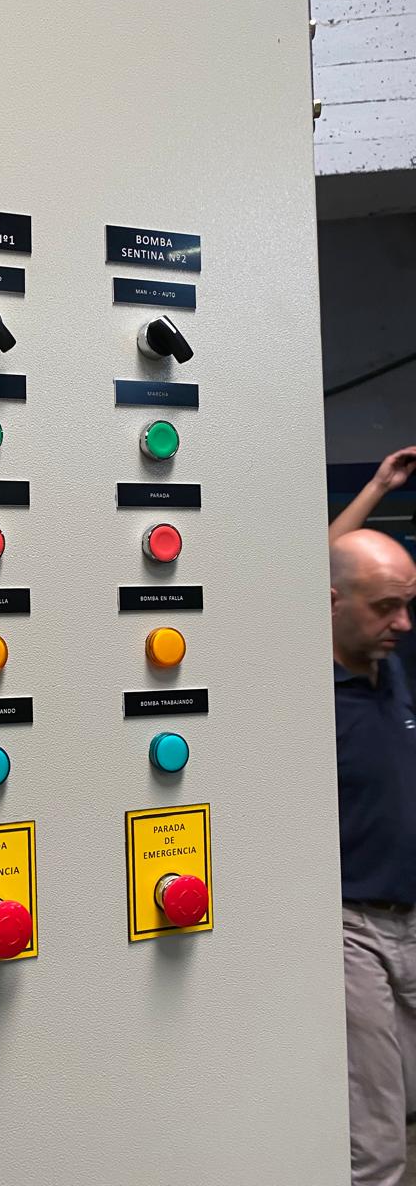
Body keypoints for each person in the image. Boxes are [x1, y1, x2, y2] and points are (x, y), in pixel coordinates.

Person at [330, 446, 416, 1185]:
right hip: (352, 924)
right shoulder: (304, 678)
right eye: (385, 606)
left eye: (407, 604)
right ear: (331, 603)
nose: (403, 622)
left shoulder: (392, 668)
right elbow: (308, 570)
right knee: (378, 1138)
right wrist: (375, 489)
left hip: (411, 911)